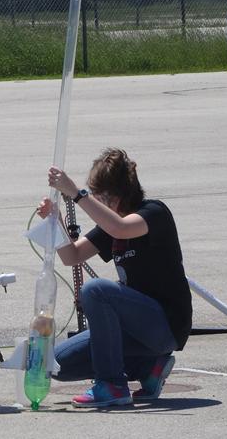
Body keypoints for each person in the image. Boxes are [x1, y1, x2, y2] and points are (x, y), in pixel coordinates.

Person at [37, 147, 192, 408]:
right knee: (55, 363)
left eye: (102, 197)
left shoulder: (153, 213)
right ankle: (148, 367)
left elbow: (120, 229)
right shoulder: (112, 224)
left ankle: (112, 385)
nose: (98, 202)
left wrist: (77, 194)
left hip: (164, 325)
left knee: (96, 290)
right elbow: (72, 256)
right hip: (135, 328)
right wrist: (57, 222)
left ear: (119, 194)